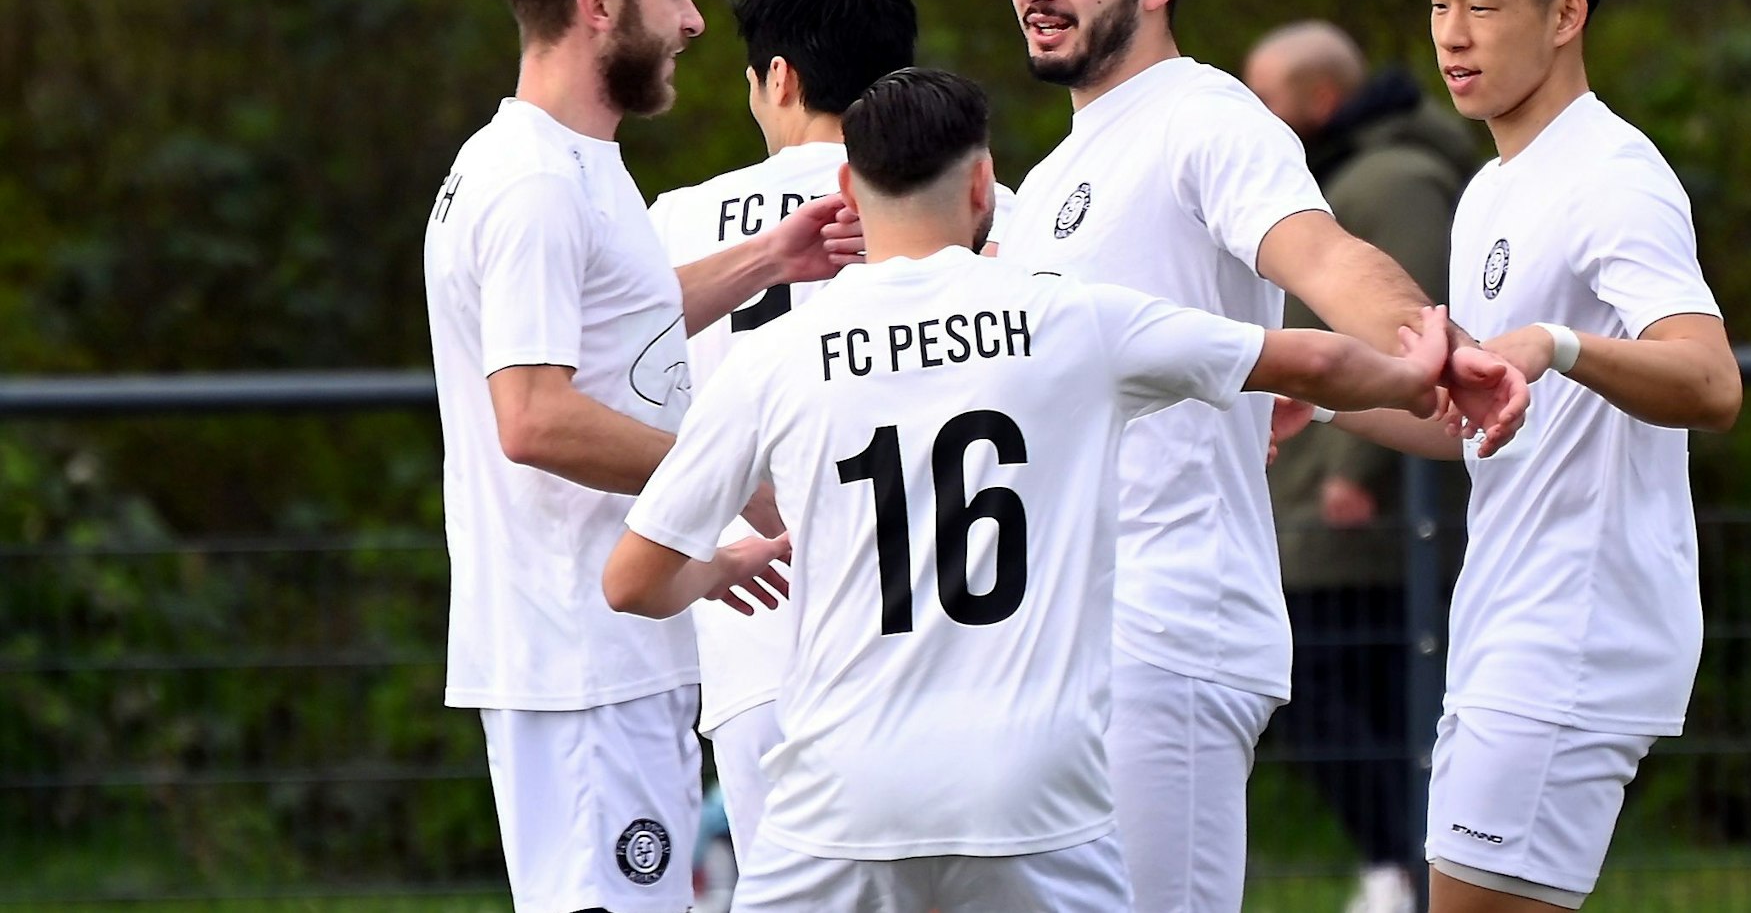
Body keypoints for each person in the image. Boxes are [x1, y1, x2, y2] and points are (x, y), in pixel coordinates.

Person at [600, 67, 1452, 912]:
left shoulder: (774, 360)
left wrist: (721, 569)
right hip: (1033, 787)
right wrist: (1421, 373)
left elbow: (632, 581)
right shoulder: (1072, 318)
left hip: (841, 787)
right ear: (982, 186)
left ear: (847, 190)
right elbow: (1314, 358)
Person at [997, 0, 1529, 912]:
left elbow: (1323, 255)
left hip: (1168, 633)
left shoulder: (1207, 118)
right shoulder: (1052, 171)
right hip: (1049, 640)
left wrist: (1419, 340)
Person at [422, 0, 848, 913]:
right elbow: (532, 414)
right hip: (579, 658)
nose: (698, 22)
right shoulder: (530, 184)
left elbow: (615, 319)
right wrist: (724, 478)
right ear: (598, 5)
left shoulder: (570, 159)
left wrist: (768, 259)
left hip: (615, 648)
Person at [1341, 0, 1742, 911]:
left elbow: (1711, 380)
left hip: (1571, 635)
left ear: (1566, 15)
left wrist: (1561, 345)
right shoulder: (1492, 188)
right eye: (1439, 3)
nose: (1452, 34)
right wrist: (1312, 400)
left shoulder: (1613, 176)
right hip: (1510, 623)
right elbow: (1482, 427)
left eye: (1484, 4)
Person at [646, 0, 920, 860]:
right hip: (937, 638)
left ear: (780, 78)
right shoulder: (975, 205)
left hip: (758, 630)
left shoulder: (677, 221)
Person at [1244, 19, 1485, 913]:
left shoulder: (1393, 183)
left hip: (1360, 504)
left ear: (1320, 99)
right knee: (1357, 698)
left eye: (1267, 96)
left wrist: (1353, 467)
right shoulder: (1347, 179)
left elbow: (1410, 333)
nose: (1256, 114)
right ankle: (1405, 867)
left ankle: (1405, 868)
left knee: (1322, 687)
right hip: (1331, 488)